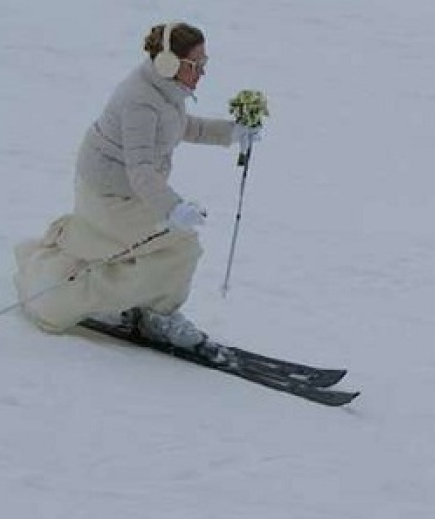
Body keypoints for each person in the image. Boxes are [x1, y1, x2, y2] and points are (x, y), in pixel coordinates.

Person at [13, 22, 260, 349]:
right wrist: (173, 208)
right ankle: (154, 313)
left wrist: (231, 132)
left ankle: (145, 304)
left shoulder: (166, 90)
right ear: (168, 63)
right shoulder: (140, 101)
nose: (202, 72)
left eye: (204, 63)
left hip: (128, 191)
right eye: (195, 64)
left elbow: (181, 126)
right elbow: (140, 169)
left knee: (163, 248)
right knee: (181, 246)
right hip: (109, 196)